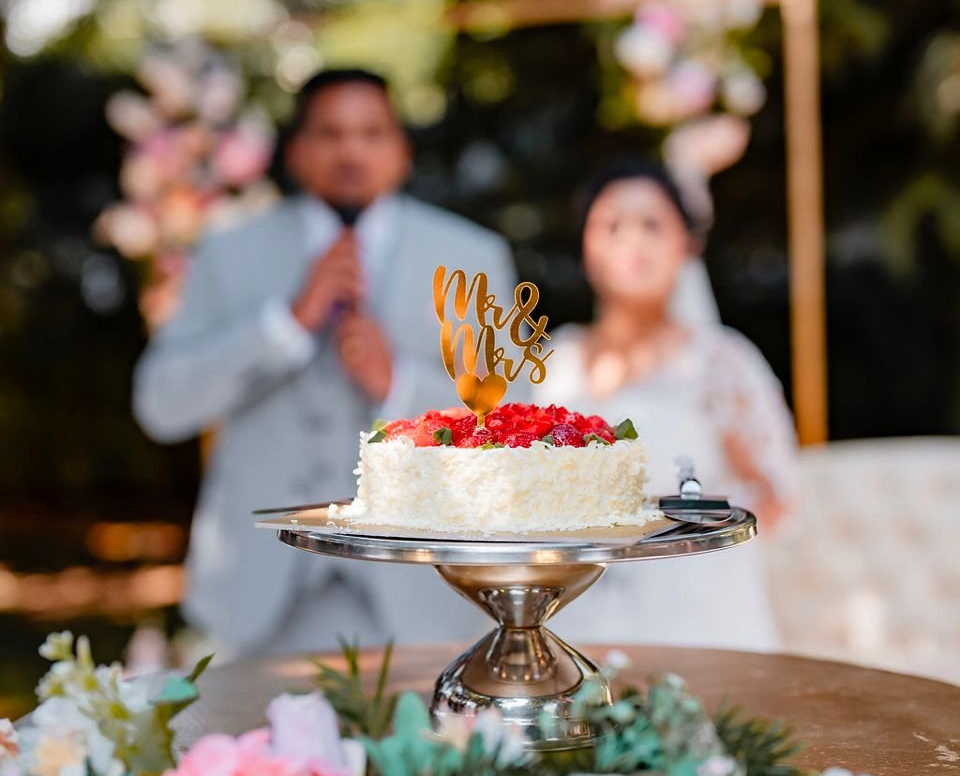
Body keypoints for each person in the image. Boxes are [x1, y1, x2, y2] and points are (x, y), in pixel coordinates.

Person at [133, 68, 515, 656]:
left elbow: (513, 426)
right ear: (296, 151)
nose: (351, 152)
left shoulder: (471, 256)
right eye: (330, 133)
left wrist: (400, 385)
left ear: (402, 152)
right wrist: (284, 325)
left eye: (372, 133)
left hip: (422, 591)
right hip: (258, 593)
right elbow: (160, 404)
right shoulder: (228, 251)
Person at [536, 160, 797, 652]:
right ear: (585, 244)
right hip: (569, 611)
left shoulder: (720, 363)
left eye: (652, 224)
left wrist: (689, 525)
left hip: (693, 618)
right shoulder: (554, 361)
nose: (631, 240)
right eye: (611, 225)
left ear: (687, 244)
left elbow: (777, 498)